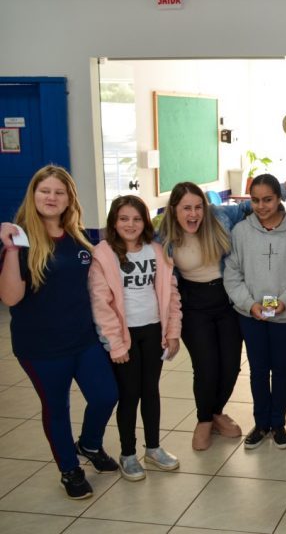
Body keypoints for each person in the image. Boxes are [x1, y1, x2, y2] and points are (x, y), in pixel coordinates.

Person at [158, 173, 286, 450]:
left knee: (231, 365)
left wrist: (284, 188)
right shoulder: (163, 235)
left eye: (198, 207)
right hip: (195, 303)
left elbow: (253, 205)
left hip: (226, 301)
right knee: (206, 366)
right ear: (174, 209)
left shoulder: (219, 217)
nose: (193, 214)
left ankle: (217, 413)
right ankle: (204, 420)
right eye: (186, 208)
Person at [0, 166, 119, 499]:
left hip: (83, 339)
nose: (51, 198)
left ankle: (90, 444)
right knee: (56, 408)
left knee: (106, 395)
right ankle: (69, 469)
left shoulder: (78, 237)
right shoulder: (19, 239)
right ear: (33, 195)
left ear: (69, 199)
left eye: (59, 192)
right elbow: (11, 298)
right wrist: (12, 250)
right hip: (41, 347)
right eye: (45, 191)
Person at [88, 195, 182, 480]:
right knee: (129, 395)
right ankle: (127, 453)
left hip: (153, 330)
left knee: (151, 391)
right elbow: (101, 304)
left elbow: (171, 295)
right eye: (123, 219)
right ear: (114, 222)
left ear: (145, 222)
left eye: (137, 219)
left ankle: (153, 448)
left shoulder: (157, 251)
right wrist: (115, 344)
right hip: (124, 336)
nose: (130, 224)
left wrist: (173, 332)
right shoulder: (103, 254)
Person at [223, 174, 286, 450]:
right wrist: (250, 304)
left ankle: (278, 423)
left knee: (281, 368)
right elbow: (232, 275)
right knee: (258, 370)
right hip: (251, 315)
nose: (261, 206)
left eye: (268, 200)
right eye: (256, 200)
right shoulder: (240, 232)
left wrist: (284, 302)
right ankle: (261, 423)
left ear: (279, 197)